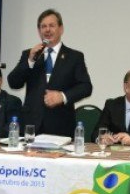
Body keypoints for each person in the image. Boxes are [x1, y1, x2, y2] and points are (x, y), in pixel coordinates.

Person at [7, 8, 92, 136]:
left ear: (61, 29)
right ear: (39, 31)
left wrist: (62, 96)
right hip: (31, 125)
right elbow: (13, 83)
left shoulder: (74, 57)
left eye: (52, 26)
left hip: (61, 125)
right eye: (43, 26)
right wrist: (30, 61)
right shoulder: (30, 54)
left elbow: (86, 87)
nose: (47, 30)